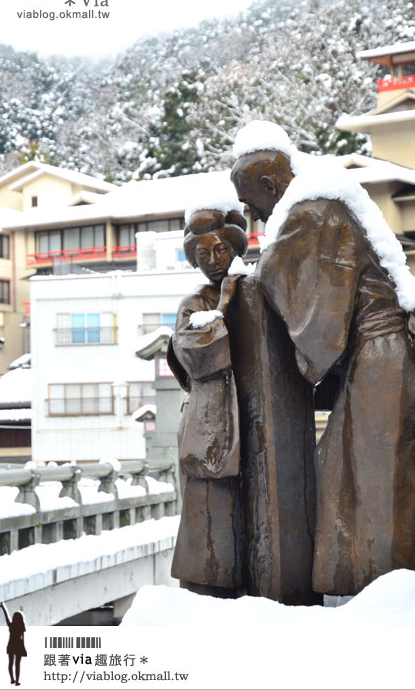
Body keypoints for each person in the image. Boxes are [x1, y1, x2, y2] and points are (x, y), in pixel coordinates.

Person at [230, 120, 415, 596]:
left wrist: (245, 284)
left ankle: (394, 590)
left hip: (380, 356)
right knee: (359, 469)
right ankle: (385, 586)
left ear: (269, 185)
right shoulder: (322, 202)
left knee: (376, 475)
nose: (249, 213)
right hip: (383, 356)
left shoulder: (311, 212)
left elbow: (291, 293)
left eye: (249, 201)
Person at [166, 205, 248, 598]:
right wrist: (223, 309)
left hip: (251, 423)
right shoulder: (194, 304)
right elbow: (196, 357)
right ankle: (202, 596)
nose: (214, 261)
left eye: (220, 251)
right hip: (209, 426)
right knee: (208, 519)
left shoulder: (253, 291)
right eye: (203, 255)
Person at [0, 602, 27, 686]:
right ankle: (17, 681)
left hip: (11, 645)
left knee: (11, 663)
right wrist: (24, 648)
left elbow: (6, 616)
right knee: (17, 665)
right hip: (19, 645)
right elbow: (23, 638)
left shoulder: (11, 625)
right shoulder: (22, 627)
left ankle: (12, 679)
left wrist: (3, 607)